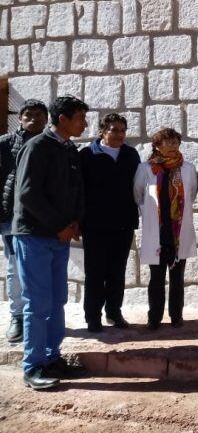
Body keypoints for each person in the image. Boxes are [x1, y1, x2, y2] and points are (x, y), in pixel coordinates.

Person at [13, 95, 89, 390]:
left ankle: (52, 356)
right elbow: (28, 194)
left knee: (58, 299)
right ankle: (33, 366)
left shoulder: (68, 149)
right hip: (34, 235)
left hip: (60, 236)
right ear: (63, 119)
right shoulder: (37, 147)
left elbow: (76, 189)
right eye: (80, 118)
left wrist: (75, 222)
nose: (84, 123)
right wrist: (59, 225)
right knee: (37, 302)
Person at [80, 113, 141, 333]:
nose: (119, 135)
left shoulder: (131, 155)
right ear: (102, 131)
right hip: (95, 225)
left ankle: (114, 312)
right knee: (95, 273)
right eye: (114, 130)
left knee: (117, 271)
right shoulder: (87, 155)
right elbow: (79, 190)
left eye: (122, 131)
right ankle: (93, 317)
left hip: (123, 223)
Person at [133, 128, 197, 330]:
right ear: (157, 145)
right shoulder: (146, 169)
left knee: (177, 278)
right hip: (157, 230)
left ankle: (176, 316)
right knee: (157, 278)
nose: (172, 146)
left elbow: (192, 193)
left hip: (178, 230)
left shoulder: (187, 168)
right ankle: (154, 317)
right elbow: (138, 194)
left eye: (175, 142)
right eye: (167, 142)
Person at [0, 99, 48, 344]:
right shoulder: (5, 144)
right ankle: (17, 317)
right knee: (15, 268)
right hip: (12, 218)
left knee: (41, 269)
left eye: (39, 115)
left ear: (46, 119)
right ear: (19, 118)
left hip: (44, 219)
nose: (33, 119)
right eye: (28, 114)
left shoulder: (52, 145)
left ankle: (39, 318)